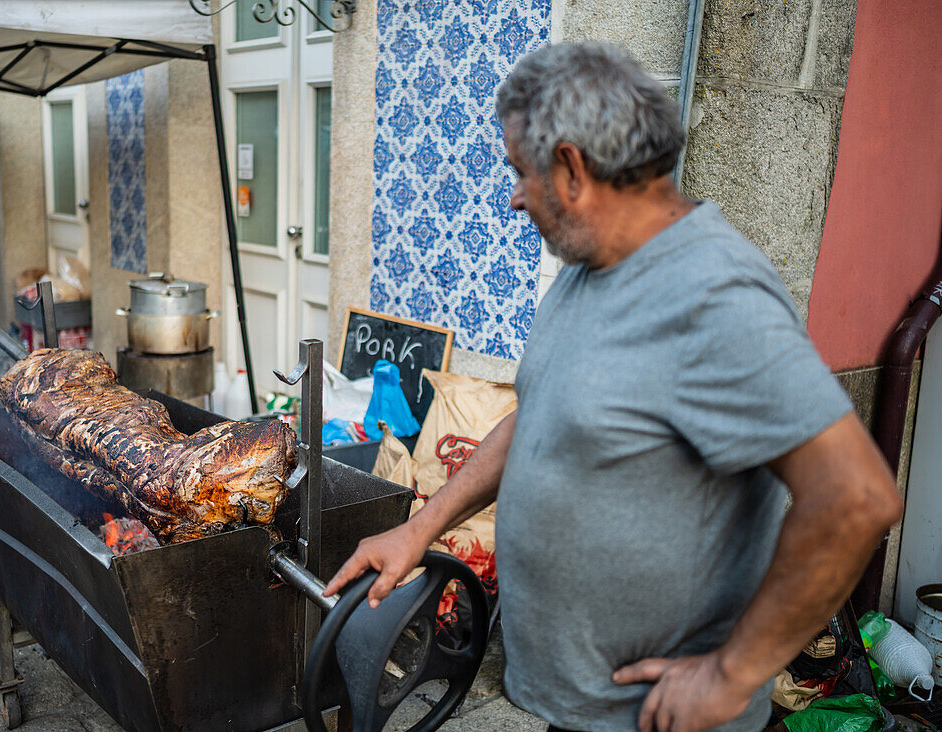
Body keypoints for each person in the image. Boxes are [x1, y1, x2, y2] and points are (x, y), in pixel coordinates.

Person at [324, 42, 902, 732]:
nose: (513, 198)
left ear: (571, 166)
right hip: (578, 709)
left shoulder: (712, 294)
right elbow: (537, 420)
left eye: (519, 172)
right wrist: (419, 530)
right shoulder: (585, 270)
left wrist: (733, 672)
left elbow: (856, 498)